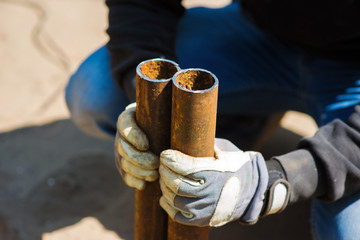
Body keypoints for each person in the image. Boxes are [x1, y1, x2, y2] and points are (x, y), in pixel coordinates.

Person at [65, 0, 360, 239]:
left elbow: (279, 181)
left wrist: (274, 182)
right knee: (96, 93)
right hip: (260, 33)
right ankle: (244, 121)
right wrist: (143, 102)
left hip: (352, 75)